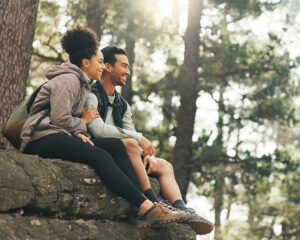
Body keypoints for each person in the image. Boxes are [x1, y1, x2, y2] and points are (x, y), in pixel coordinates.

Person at [20, 26, 188, 228]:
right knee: (101, 156)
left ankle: (150, 204)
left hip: (56, 134)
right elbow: (60, 118)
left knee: (116, 147)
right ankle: (147, 208)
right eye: (99, 62)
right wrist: (84, 123)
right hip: (39, 138)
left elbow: (70, 121)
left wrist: (80, 132)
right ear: (85, 62)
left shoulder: (82, 85)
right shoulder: (67, 80)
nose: (102, 67)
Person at [85, 46, 214, 235]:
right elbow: (98, 129)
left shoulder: (122, 104)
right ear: (107, 66)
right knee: (129, 143)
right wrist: (138, 139)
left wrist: (145, 154)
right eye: (124, 66)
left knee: (163, 165)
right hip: (104, 150)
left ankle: (183, 209)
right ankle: (153, 203)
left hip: (126, 154)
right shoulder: (91, 94)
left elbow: (130, 133)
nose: (128, 72)